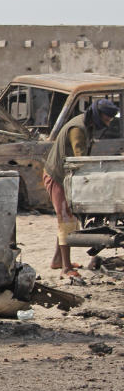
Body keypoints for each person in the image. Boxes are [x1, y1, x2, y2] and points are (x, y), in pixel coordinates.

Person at [42, 98, 119, 277]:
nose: (108, 123)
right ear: (99, 115)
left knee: (68, 219)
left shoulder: (87, 124)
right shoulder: (78, 129)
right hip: (58, 177)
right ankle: (66, 268)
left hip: (66, 176)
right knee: (66, 220)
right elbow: (80, 160)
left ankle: (57, 260)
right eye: (107, 119)